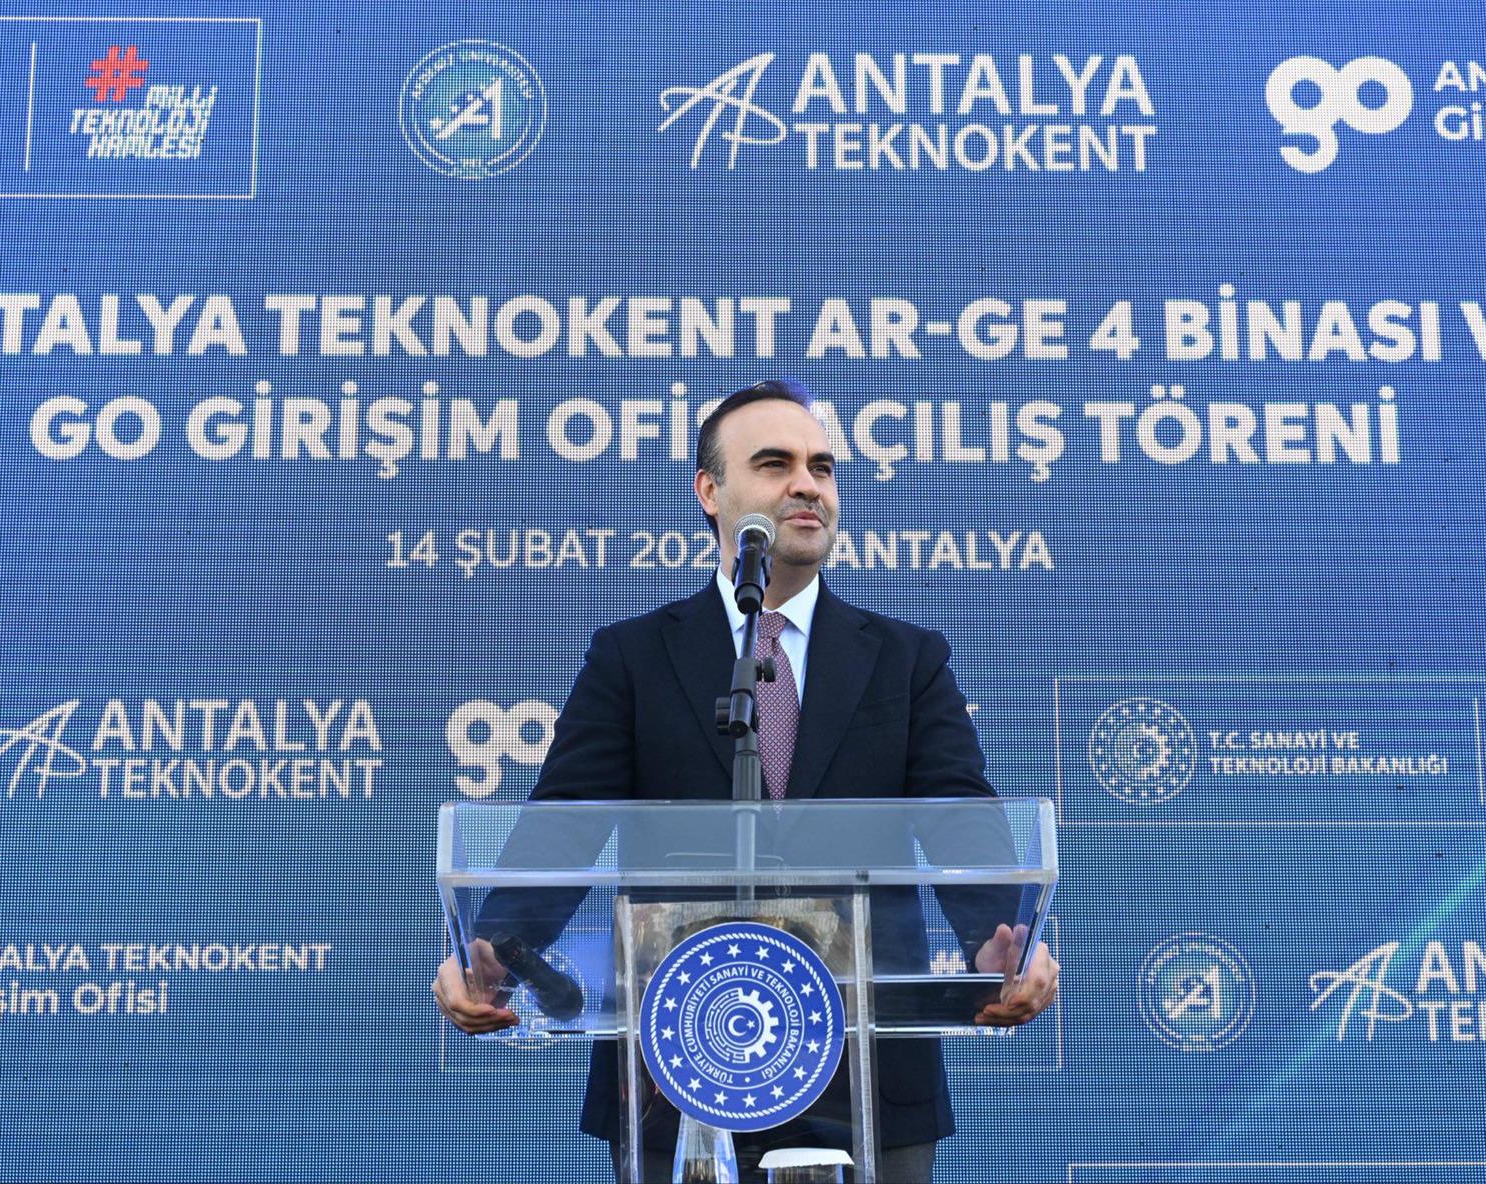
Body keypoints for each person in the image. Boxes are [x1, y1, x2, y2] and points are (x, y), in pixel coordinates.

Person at [435, 380, 1059, 1183]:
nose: (807, 485)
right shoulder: (634, 658)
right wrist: (490, 949)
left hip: (867, 1072)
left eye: (822, 467)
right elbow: (565, 823)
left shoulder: (906, 660)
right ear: (710, 491)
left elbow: (957, 812)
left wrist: (1002, 937)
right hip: (676, 1064)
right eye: (775, 464)